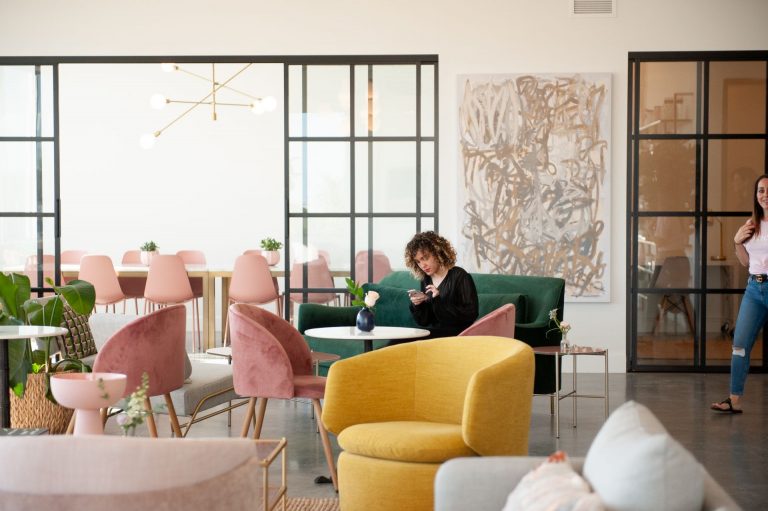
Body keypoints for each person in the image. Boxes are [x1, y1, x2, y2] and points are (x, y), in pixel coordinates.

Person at [711, 173, 768, 414]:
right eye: (761, 191)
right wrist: (736, 243)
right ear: (756, 196)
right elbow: (746, 262)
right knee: (740, 344)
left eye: (767, 190)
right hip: (754, 289)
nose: (765, 195)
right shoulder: (751, 225)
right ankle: (734, 400)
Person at [404, 231, 478, 338]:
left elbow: (470, 315)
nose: (422, 265)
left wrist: (438, 300)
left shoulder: (460, 276)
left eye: (425, 258)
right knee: (395, 344)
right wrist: (419, 304)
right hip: (434, 334)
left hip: (456, 336)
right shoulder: (426, 279)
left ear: (438, 253)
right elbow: (425, 321)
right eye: (418, 261)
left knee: (400, 345)